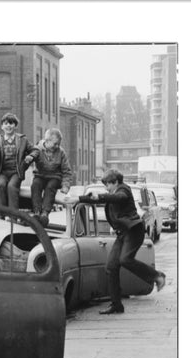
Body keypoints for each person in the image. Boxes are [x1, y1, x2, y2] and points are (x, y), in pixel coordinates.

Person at [67, 169, 166, 314]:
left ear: (115, 182)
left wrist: (98, 196)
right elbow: (104, 200)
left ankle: (157, 276)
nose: (106, 188)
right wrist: (79, 199)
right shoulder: (114, 192)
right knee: (111, 267)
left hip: (134, 231)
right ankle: (116, 305)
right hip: (122, 234)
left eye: (108, 185)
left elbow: (118, 198)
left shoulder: (123, 190)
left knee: (125, 259)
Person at [0, 113, 38, 211]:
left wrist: (30, 156)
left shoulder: (22, 140)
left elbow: (35, 150)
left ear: (15, 126)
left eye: (11, 123)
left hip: (16, 172)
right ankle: (1, 214)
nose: (8, 125)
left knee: (12, 187)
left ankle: (13, 216)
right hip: (2, 172)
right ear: (2, 126)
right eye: (6, 123)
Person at [31, 128, 72, 227]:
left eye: (59, 144)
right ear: (47, 141)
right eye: (55, 143)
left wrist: (65, 186)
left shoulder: (61, 152)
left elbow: (66, 171)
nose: (57, 146)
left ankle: (45, 213)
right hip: (40, 175)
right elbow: (29, 157)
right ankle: (37, 211)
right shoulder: (38, 149)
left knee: (50, 187)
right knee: (35, 185)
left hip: (55, 177)